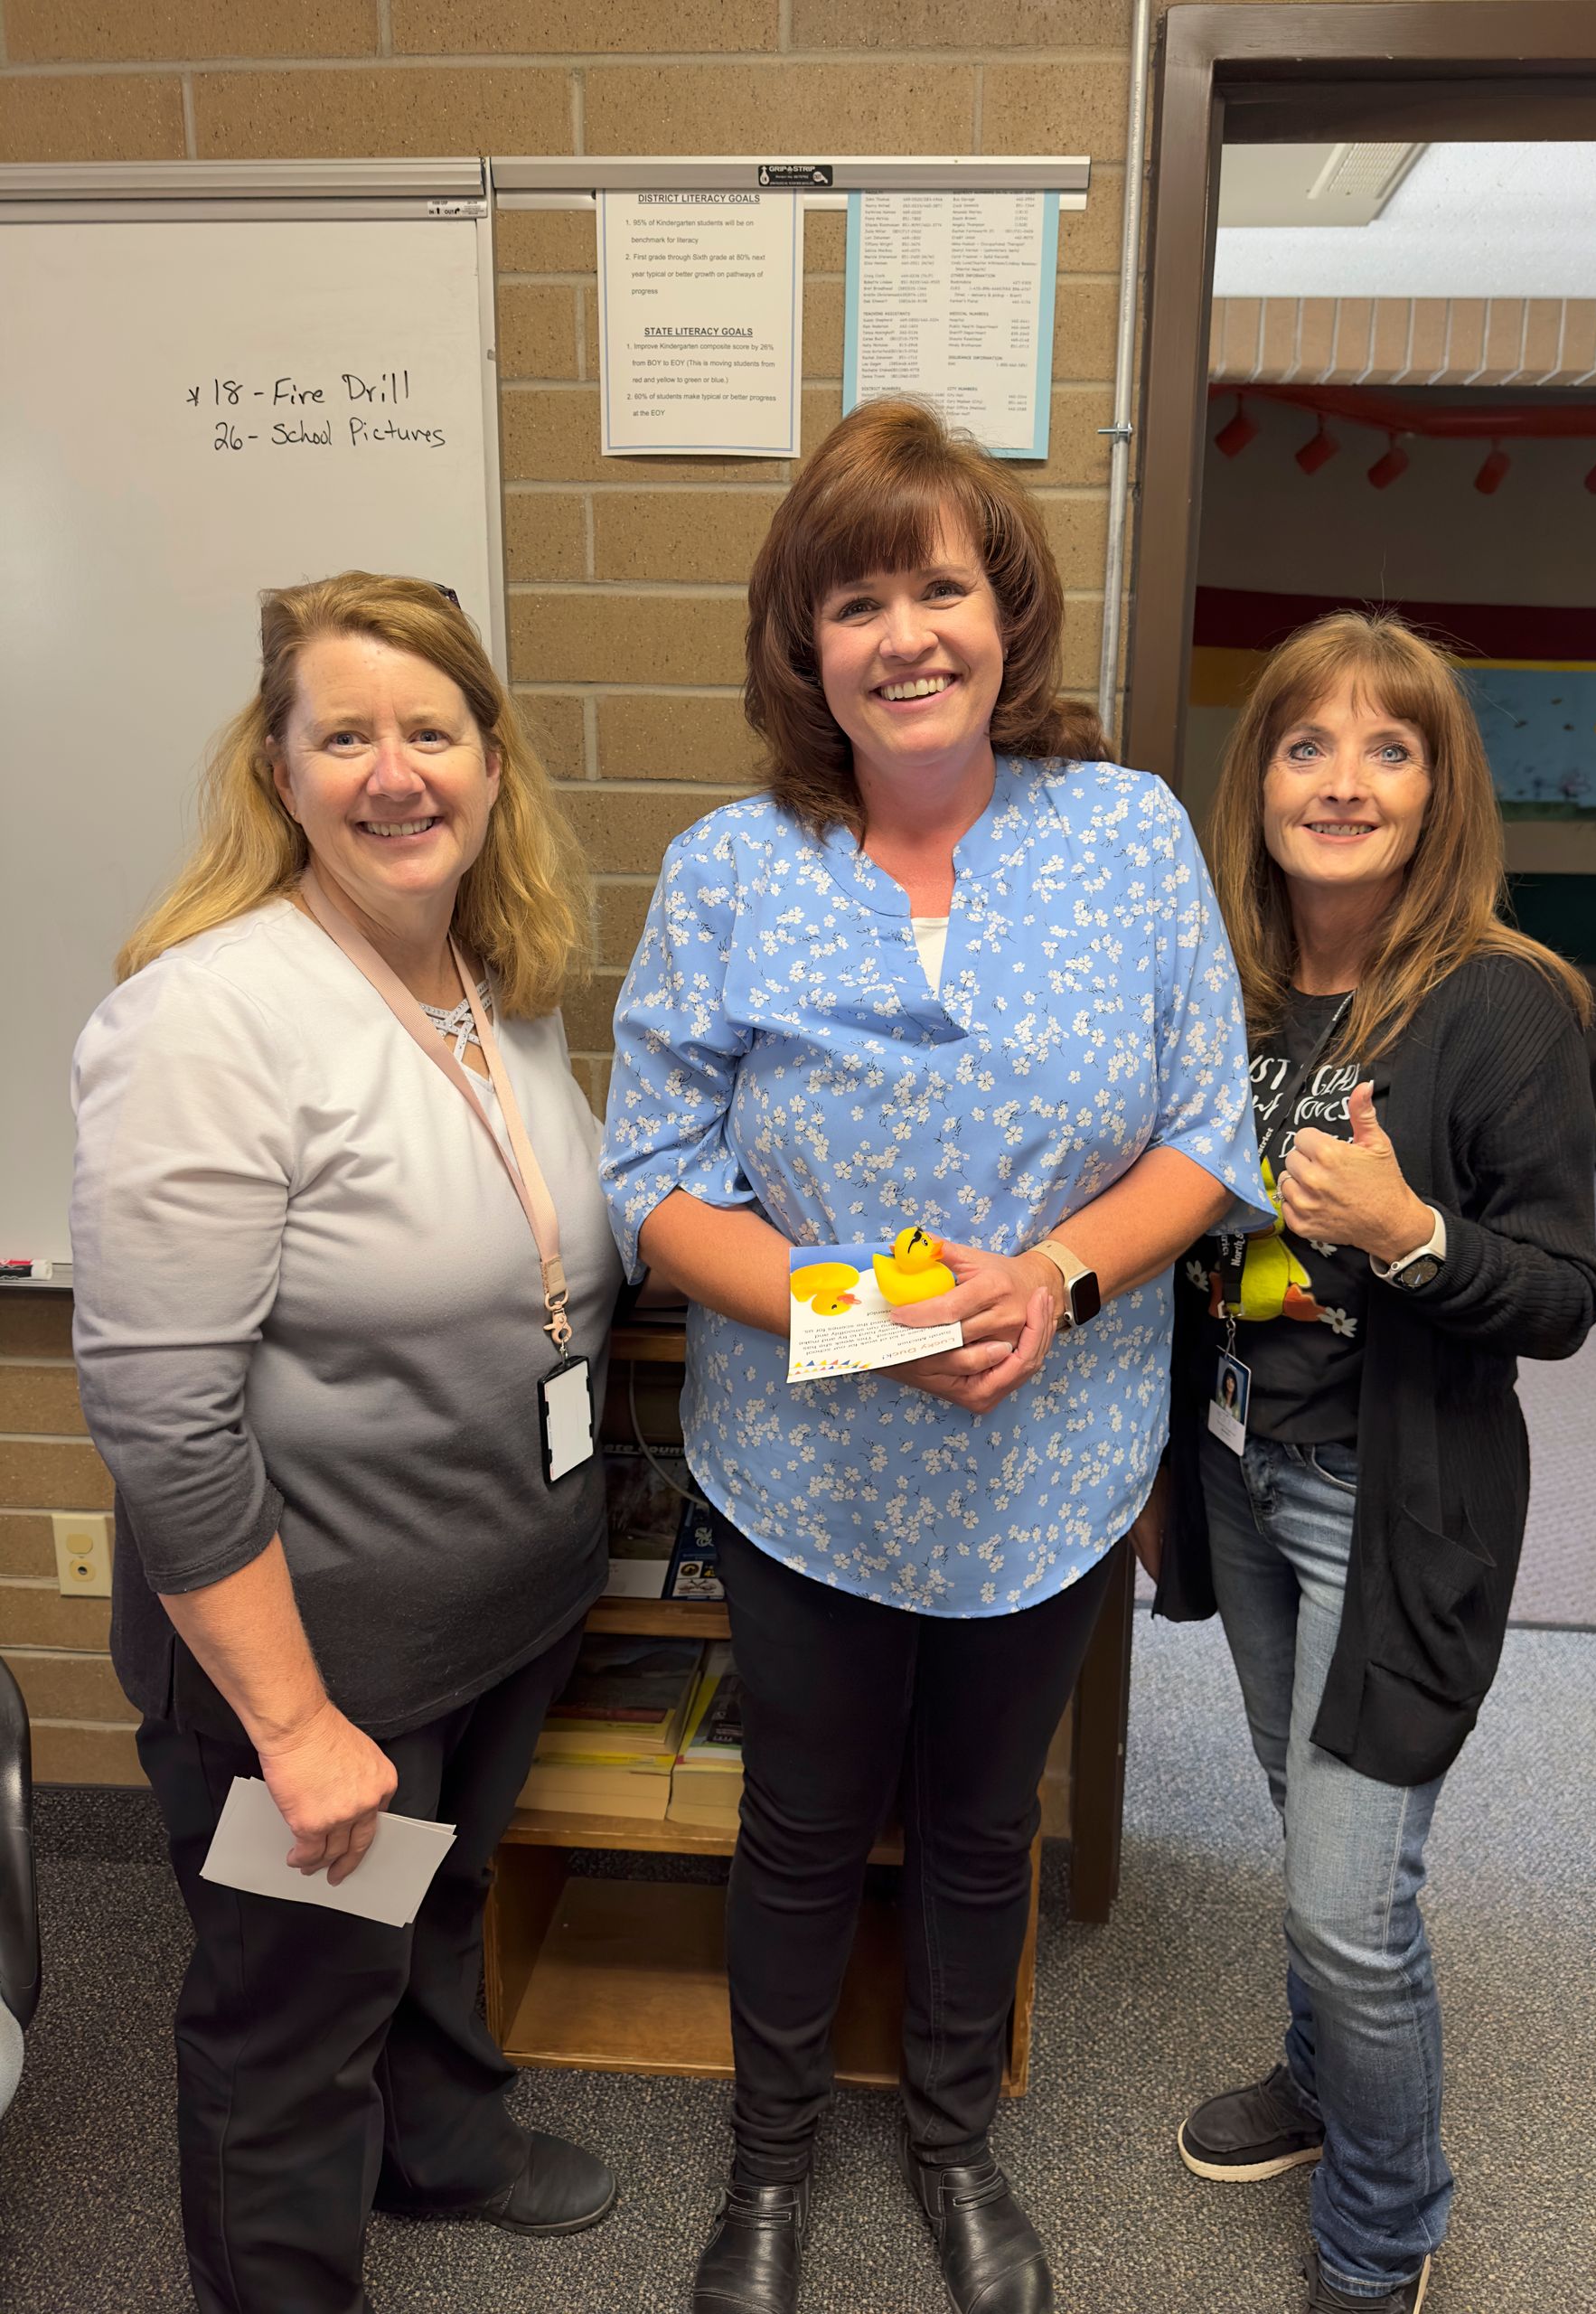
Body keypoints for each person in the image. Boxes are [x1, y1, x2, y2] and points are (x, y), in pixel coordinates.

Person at [600, 399, 1269, 2314]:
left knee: (986, 1824)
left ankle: (956, 2140)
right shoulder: (733, 864)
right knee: (805, 1820)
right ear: (803, 644)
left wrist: (1052, 1276)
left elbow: (1207, 1133)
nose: (907, 632)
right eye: (857, 598)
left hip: (1051, 1467)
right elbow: (650, 1172)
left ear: (1008, 609)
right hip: (806, 1472)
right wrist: (868, 1316)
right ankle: (771, 2164)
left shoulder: (1126, 831)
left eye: (943, 585)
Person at [70, 573, 623, 2314]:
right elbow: (165, 1417)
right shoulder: (205, 1021)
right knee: (290, 2008)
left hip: (494, 1618)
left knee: (435, 1912)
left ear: (489, 762)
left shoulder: (497, 984)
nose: (398, 773)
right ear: (282, 770)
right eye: (347, 734)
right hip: (308, 1670)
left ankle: (442, 2152)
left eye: (432, 730)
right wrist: (296, 1727)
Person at [1151, 611, 1596, 2314]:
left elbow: (1562, 1296)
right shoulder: (1233, 984)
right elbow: (1188, 1237)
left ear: (1439, 789)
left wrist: (1415, 1235)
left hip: (1386, 1504)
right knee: (1308, 1816)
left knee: (1355, 1896)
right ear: (1257, 775)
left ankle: (1385, 2224)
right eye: (1306, 745)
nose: (1342, 782)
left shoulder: (1503, 1006)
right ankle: (1326, 2082)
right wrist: (1155, 1463)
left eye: (1388, 749)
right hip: (1236, 1468)